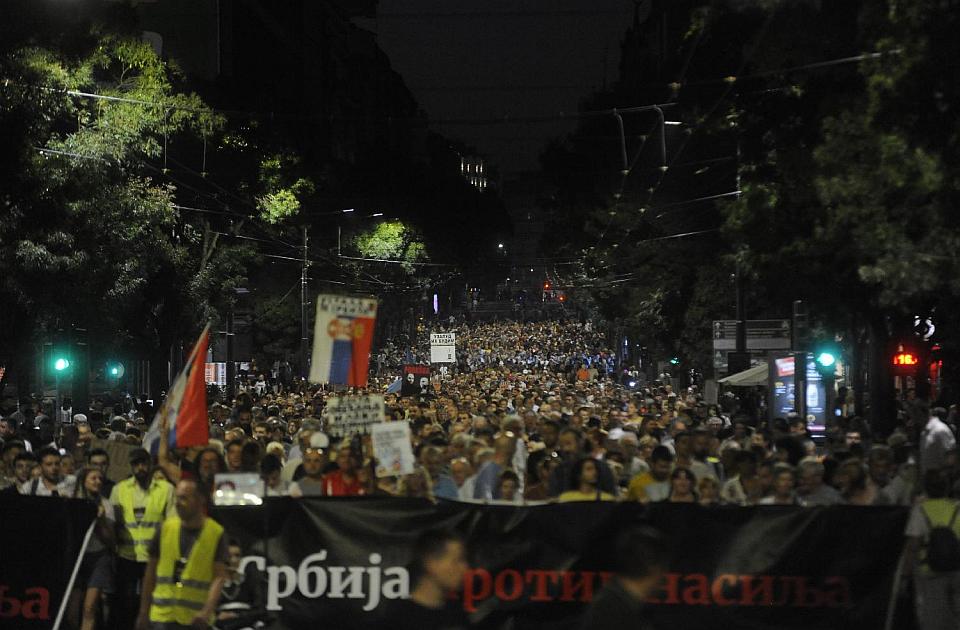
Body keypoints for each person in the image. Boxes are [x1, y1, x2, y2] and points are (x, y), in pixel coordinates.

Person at [137, 478, 229, 630]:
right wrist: (143, 612)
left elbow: (219, 577)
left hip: (195, 620)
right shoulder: (165, 528)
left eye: (184, 498)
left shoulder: (215, 533)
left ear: (201, 500)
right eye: (177, 498)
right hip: (162, 617)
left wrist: (207, 611)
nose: (178, 503)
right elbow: (150, 574)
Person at [111, 447, 175, 630]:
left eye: (144, 463)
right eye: (136, 464)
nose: (141, 467)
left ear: (150, 464)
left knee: (155, 601)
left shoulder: (166, 490)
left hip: (155, 557)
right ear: (131, 466)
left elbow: (172, 523)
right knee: (127, 602)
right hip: (127, 555)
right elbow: (114, 523)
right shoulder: (120, 490)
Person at [374, 529, 469, 630]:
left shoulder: (456, 612)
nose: (465, 568)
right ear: (431, 562)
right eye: (458, 560)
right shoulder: (400, 620)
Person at [578, 526, 667, 630]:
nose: (664, 573)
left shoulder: (616, 605)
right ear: (653, 566)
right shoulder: (612, 611)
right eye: (664, 565)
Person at [905, 469, 960, 630]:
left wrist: (906, 573)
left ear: (925, 488)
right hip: (958, 567)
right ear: (947, 487)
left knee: (934, 615)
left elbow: (913, 546)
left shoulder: (920, 510)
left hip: (930, 568)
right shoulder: (957, 508)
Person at [71, 466, 115, 630]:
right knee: (73, 610)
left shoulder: (106, 505)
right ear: (84, 481)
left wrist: (101, 520)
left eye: (100, 479)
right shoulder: (74, 501)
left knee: (89, 608)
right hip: (77, 558)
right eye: (93, 478)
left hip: (98, 558)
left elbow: (110, 540)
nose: (97, 482)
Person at [921, 407, 956, 475]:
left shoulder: (941, 429)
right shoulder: (928, 430)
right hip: (934, 471)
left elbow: (950, 453)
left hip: (940, 472)